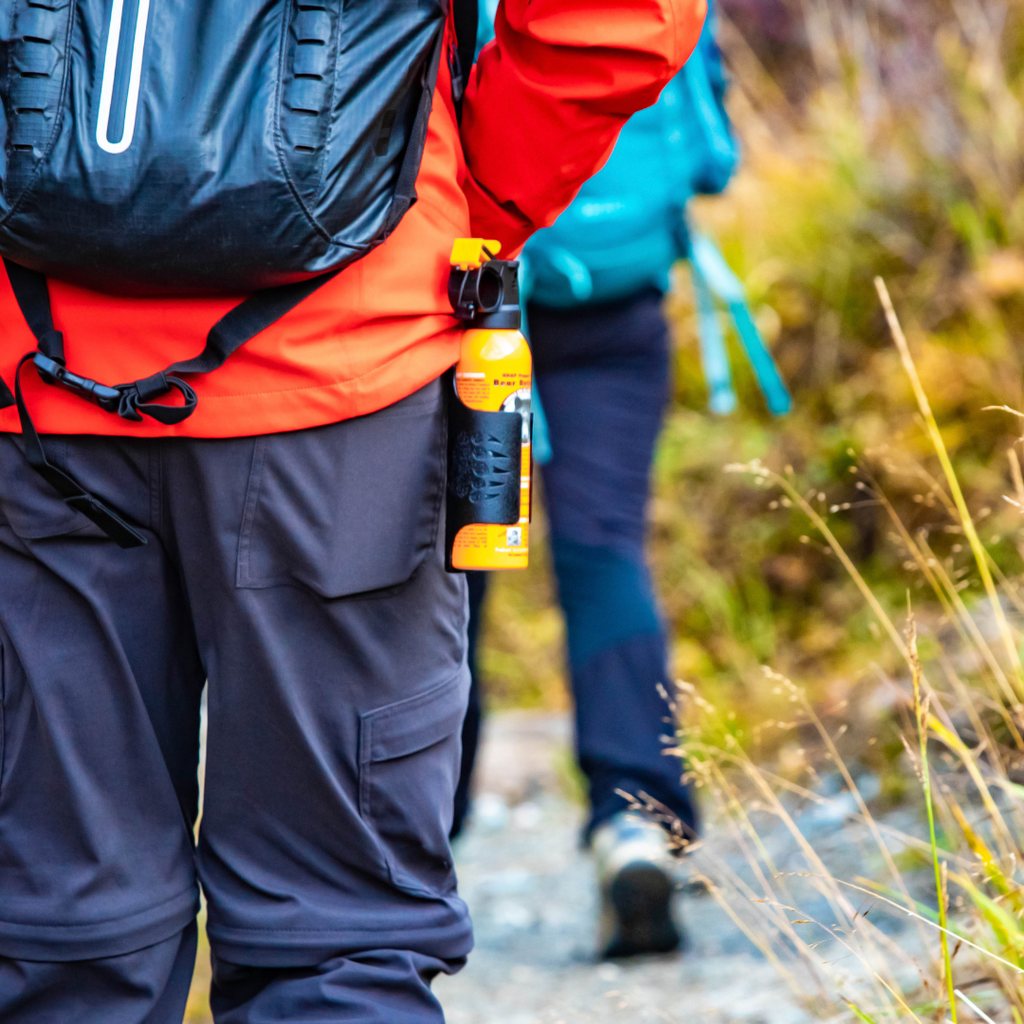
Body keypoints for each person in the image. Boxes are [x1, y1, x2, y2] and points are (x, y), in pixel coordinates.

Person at [0, 1, 707, 1020]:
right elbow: (614, 18)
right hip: (342, 393)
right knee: (335, 938)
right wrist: (471, 201)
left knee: (59, 934)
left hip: (37, 381)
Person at [452, 0, 789, 960]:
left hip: (470, 293)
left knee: (447, 565)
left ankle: (410, 841)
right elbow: (711, 142)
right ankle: (634, 820)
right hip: (619, 296)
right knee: (603, 554)